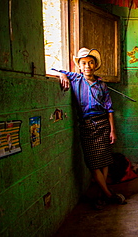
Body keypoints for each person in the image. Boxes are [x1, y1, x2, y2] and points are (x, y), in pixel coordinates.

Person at [53, 47, 125, 209]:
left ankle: (102, 195)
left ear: (95, 65)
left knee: (104, 161)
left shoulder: (102, 85)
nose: (87, 66)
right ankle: (109, 195)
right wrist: (62, 74)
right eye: (84, 63)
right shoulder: (76, 79)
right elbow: (52, 68)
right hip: (86, 126)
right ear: (79, 65)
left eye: (91, 63)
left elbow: (110, 109)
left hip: (103, 125)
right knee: (93, 164)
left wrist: (112, 130)